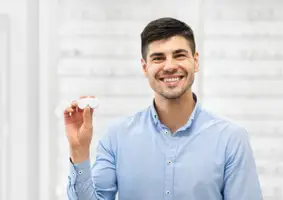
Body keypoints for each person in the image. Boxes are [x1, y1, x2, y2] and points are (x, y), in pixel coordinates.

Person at [64, 17, 262, 200]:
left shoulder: (231, 139)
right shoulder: (117, 137)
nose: (169, 66)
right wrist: (78, 151)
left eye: (179, 55)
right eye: (158, 58)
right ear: (144, 67)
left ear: (196, 61)